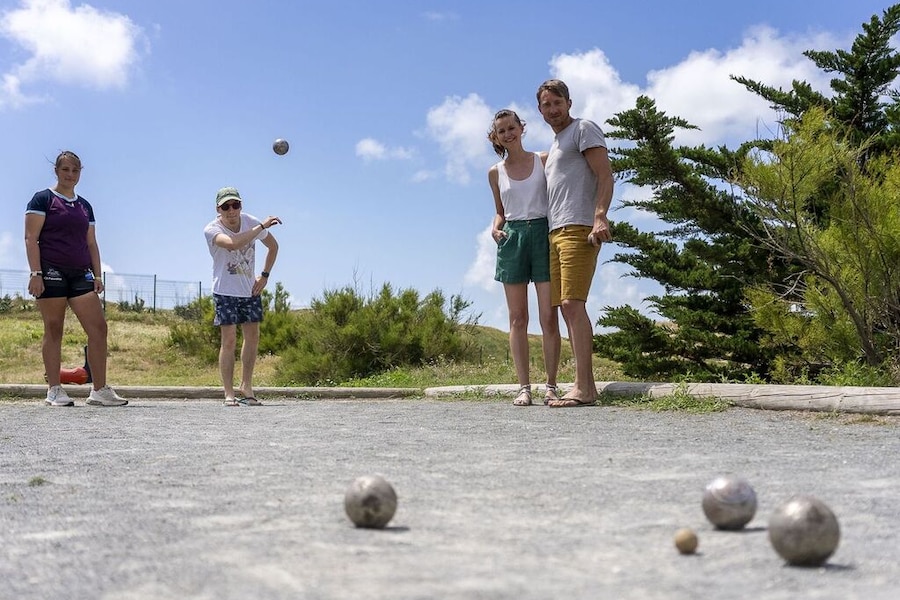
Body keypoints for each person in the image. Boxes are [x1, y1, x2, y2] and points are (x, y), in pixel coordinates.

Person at [24, 150, 128, 407]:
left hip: (81, 272)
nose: (70, 175)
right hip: (51, 271)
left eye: (75, 170)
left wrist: (97, 274)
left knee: (99, 328)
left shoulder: (85, 206)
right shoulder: (43, 199)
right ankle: (54, 390)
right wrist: (36, 273)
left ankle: (99, 390)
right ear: (56, 171)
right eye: (65, 170)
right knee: (54, 328)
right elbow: (31, 238)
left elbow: (91, 242)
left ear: (80, 173)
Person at [537, 79, 614, 407]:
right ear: (540, 110)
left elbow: (605, 174)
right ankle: (586, 387)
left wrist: (600, 216)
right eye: (546, 105)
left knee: (572, 304)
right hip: (555, 232)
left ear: (569, 103)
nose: (553, 109)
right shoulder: (556, 144)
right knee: (565, 308)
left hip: (578, 227)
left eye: (558, 103)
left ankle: (584, 388)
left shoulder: (583, 129)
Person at [487, 109, 561, 407]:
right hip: (512, 238)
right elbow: (500, 211)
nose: (508, 133)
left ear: (521, 128)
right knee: (518, 318)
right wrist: (495, 228)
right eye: (502, 130)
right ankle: (524, 388)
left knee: (548, 316)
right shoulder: (495, 173)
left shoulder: (543, 160)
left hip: (543, 233)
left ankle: (551, 386)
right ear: (496, 137)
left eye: (511, 127)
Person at [204, 187, 282, 406]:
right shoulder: (212, 229)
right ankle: (228, 392)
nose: (231, 211)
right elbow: (233, 244)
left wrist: (264, 276)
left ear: (241, 206)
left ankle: (246, 385)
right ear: (218, 209)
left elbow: (273, 246)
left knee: (252, 337)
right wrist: (261, 227)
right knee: (229, 340)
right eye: (226, 206)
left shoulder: (250, 222)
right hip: (225, 291)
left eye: (235, 205)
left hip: (249, 290)